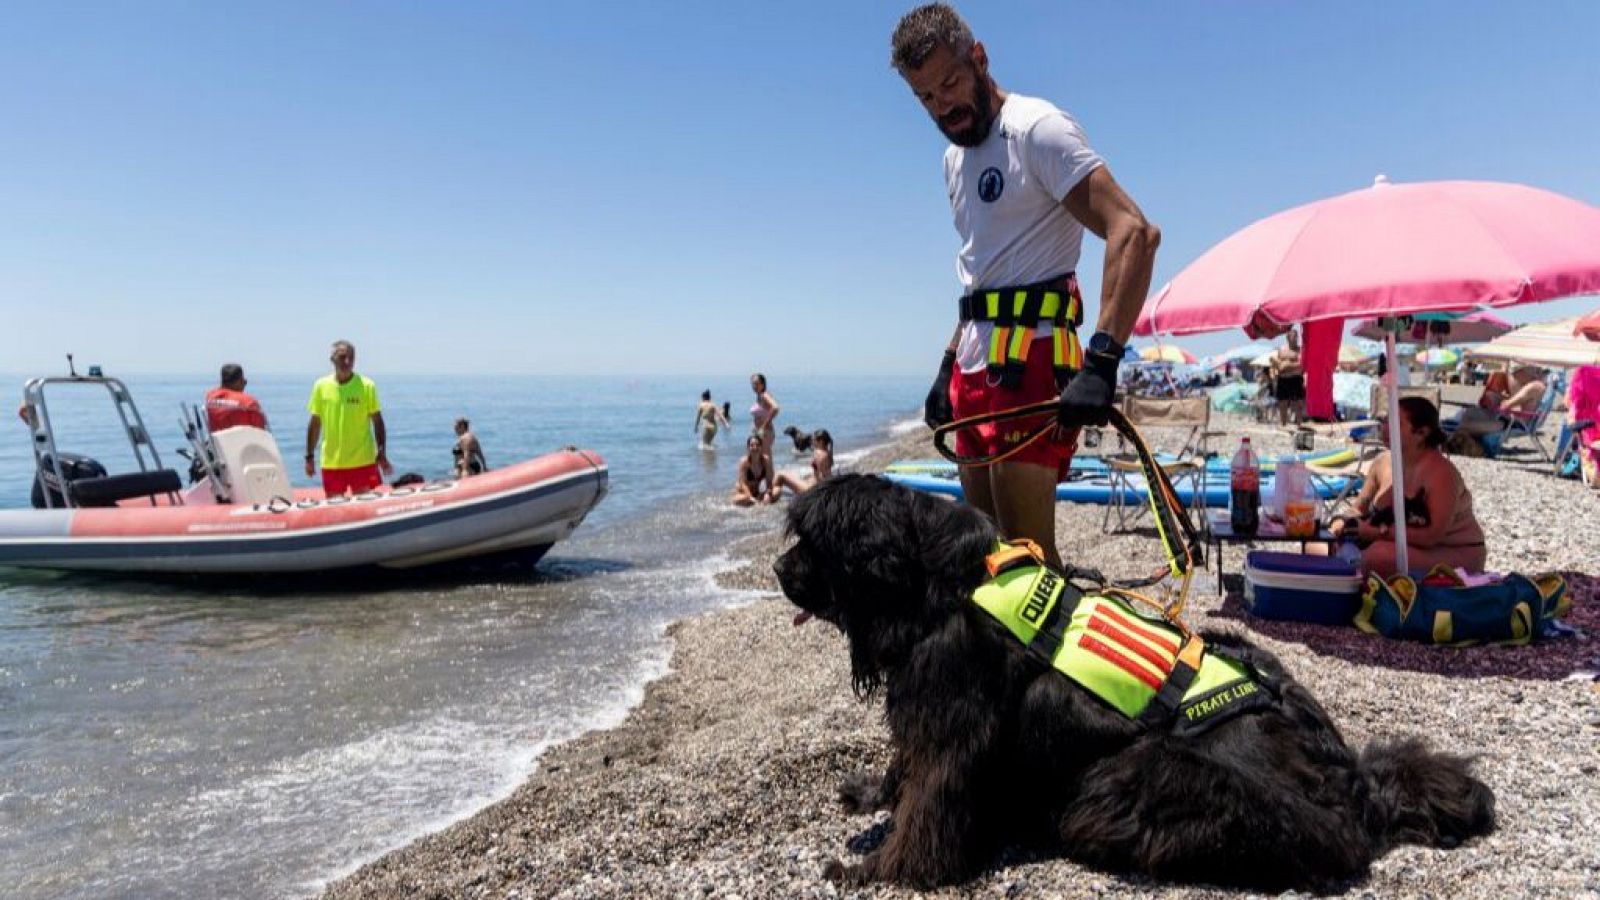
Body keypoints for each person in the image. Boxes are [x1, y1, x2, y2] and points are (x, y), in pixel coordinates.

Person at [896, 4, 1158, 569]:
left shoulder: (1036, 129)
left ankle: (1050, 658)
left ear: (979, 58)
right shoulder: (953, 160)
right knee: (985, 554)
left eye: (950, 83)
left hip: (1032, 359)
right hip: (973, 366)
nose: (944, 107)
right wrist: (947, 364)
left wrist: (1103, 361)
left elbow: (1133, 233)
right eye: (927, 98)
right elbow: (982, 272)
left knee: (1028, 559)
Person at [1329, 397, 1486, 578]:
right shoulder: (1383, 462)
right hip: (1393, 545)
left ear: (1421, 433)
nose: (1386, 428)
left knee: (1378, 556)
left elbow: (1431, 536)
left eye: (1396, 423)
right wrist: (1339, 523)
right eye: (1386, 421)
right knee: (1316, 547)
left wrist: (1375, 532)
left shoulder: (1440, 473)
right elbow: (1357, 508)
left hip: (1452, 551)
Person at [304, 340, 392, 495]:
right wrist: (309, 457)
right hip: (332, 464)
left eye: (351, 357)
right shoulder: (321, 386)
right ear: (332, 359)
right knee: (334, 509)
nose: (348, 362)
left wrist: (381, 452)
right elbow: (315, 423)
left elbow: (377, 422)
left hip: (362, 461)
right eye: (343, 357)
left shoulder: (367, 385)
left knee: (365, 508)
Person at [203, 363, 269, 432]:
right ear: (239, 381)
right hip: (245, 441)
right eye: (244, 381)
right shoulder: (249, 402)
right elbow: (260, 431)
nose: (244, 384)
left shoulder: (210, 397)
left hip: (219, 442)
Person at [772, 428, 835, 498]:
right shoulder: (827, 452)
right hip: (819, 486)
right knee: (798, 477)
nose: (812, 442)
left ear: (821, 441)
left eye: (814, 440)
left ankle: (769, 497)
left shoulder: (818, 453)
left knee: (780, 475)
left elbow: (821, 476)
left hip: (812, 490)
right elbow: (825, 473)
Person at [1270, 328, 1305, 427]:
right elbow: (1277, 364)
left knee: (1298, 402)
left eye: (1295, 336)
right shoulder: (1282, 350)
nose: (1294, 338)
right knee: (1282, 403)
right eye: (1292, 336)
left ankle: (1299, 424)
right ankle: (1283, 423)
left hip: (1295, 378)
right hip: (1283, 378)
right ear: (1287, 337)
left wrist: (1287, 366)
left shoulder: (1300, 350)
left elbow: (1301, 364)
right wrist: (1277, 369)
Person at [731, 434, 776, 506]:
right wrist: (750, 497)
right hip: (742, 493)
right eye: (752, 445)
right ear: (748, 447)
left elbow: (769, 481)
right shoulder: (744, 462)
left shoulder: (765, 460)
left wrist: (767, 493)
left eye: (757, 445)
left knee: (776, 493)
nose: (755, 447)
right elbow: (742, 483)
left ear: (761, 447)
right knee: (747, 499)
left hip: (756, 493)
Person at [749, 373, 780, 454]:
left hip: (765, 432)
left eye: (756, 384)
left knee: (765, 457)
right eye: (753, 384)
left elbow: (776, 407)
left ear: (762, 384)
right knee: (759, 458)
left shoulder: (764, 395)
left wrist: (763, 426)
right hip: (759, 432)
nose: (754, 386)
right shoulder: (759, 397)